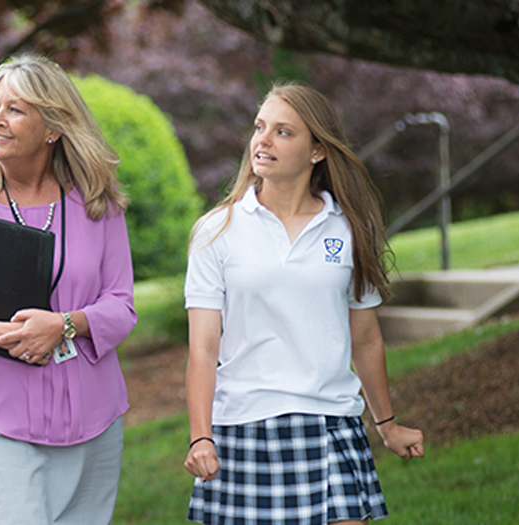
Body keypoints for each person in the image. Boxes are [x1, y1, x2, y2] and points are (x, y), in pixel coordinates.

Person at [182, 82, 426, 524]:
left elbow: (366, 338)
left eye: (283, 132)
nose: (263, 140)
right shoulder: (216, 230)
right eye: (260, 127)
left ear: (317, 150)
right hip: (243, 429)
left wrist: (386, 424)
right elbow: (202, 349)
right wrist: (201, 438)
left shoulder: (351, 227)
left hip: (332, 424)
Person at [0, 54, 136, 524]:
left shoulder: (97, 203)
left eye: (15, 109)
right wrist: (4, 335)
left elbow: (121, 306)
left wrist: (64, 325)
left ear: (53, 127)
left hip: (94, 419)